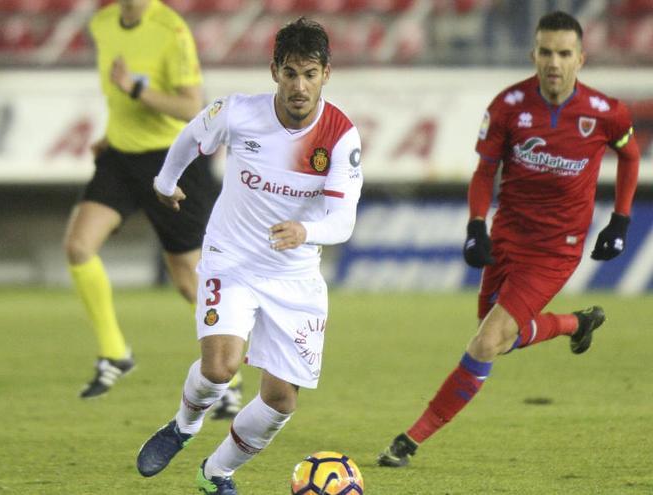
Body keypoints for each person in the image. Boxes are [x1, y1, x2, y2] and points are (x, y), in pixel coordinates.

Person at [377, 10, 641, 468]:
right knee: (499, 339)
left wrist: (619, 221)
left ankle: (409, 440)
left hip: (556, 248)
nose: (553, 62)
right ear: (532, 54)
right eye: (545, 52)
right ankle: (576, 324)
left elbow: (631, 158)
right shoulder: (507, 106)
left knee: (486, 343)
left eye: (563, 53)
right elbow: (485, 170)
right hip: (507, 237)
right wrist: (476, 225)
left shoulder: (605, 112)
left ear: (581, 58)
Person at [135, 18, 364, 494]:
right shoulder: (237, 112)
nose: (299, 86)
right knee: (220, 367)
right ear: (274, 72)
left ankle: (215, 473)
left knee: (280, 400)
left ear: (327, 73)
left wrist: (306, 230)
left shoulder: (341, 137)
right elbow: (191, 135)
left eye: (309, 73)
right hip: (232, 257)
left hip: (295, 273)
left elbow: (342, 222)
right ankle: (184, 425)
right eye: (289, 73)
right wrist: (165, 180)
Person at [66, 0, 241, 414]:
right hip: (122, 157)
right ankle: (115, 353)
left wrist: (137, 89)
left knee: (187, 280)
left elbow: (191, 105)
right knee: (78, 246)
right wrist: (112, 135)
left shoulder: (171, 31)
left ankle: (228, 380)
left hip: (171, 161)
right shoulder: (103, 23)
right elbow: (115, 98)